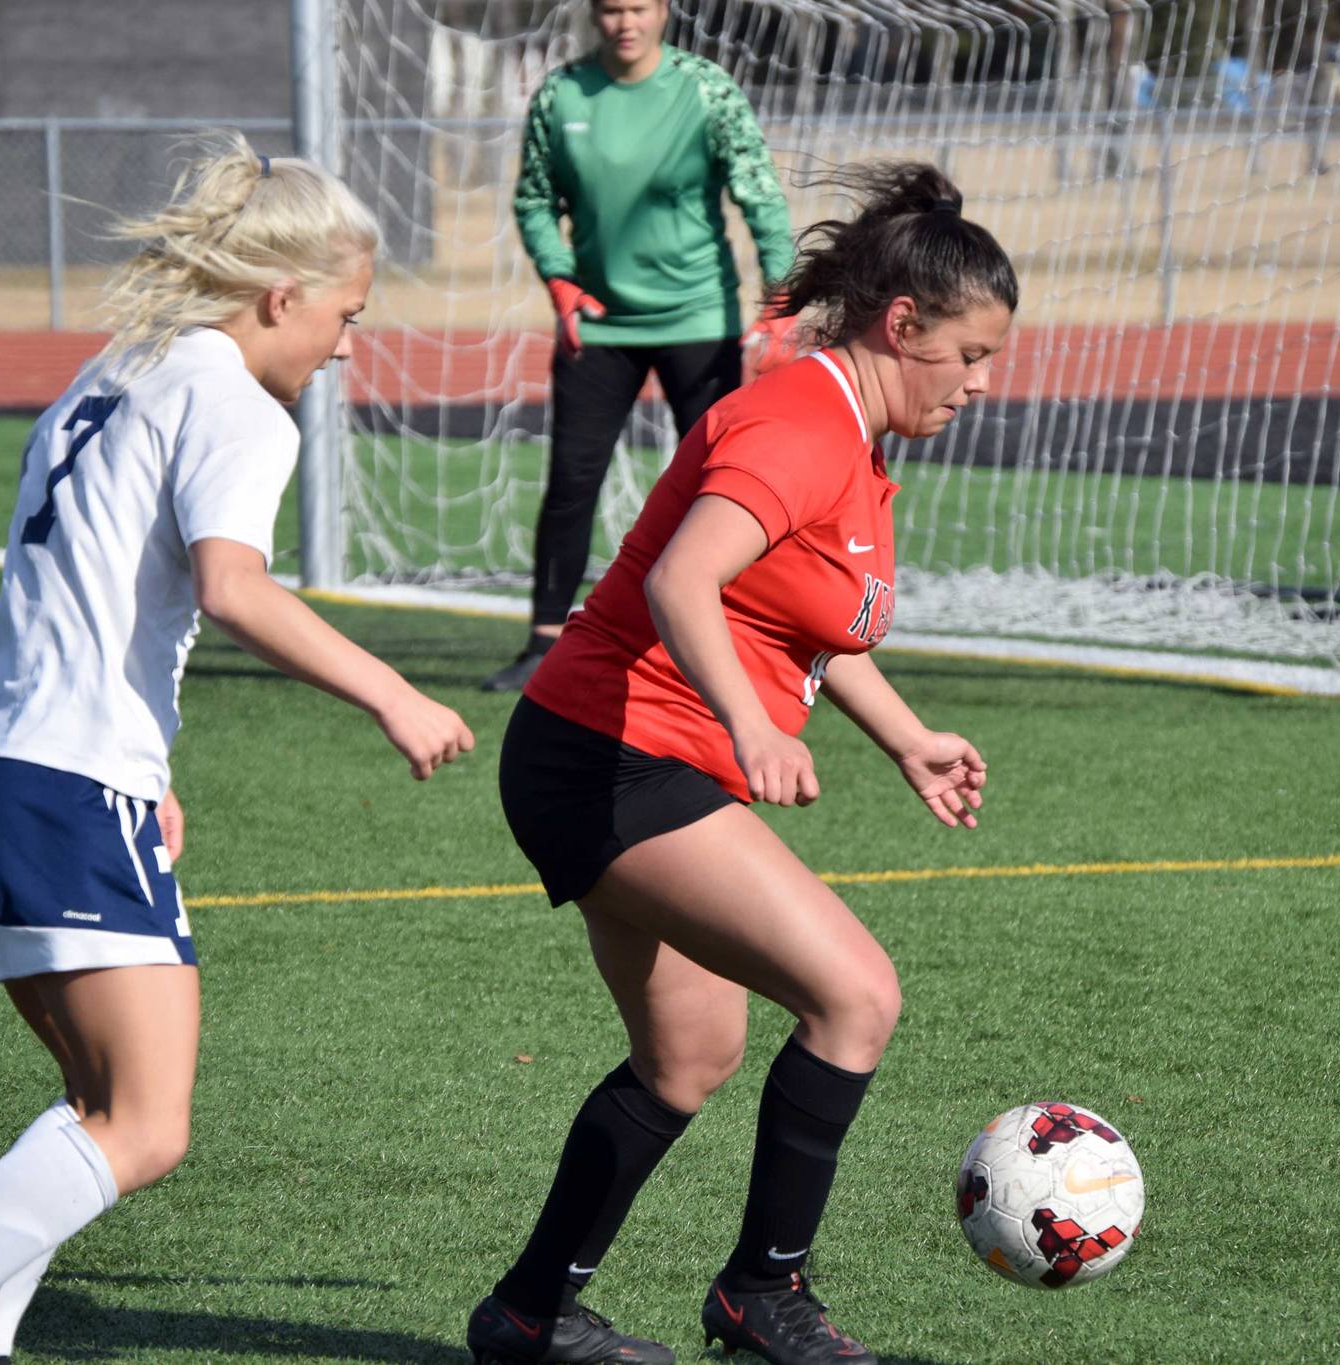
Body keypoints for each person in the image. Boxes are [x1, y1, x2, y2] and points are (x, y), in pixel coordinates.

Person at [0, 131, 474, 1365]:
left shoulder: (119, 368)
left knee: (99, 1109)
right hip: (64, 782)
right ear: (281, 298)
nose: (344, 344)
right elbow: (230, 587)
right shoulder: (235, 401)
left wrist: (150, 771)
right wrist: (393, 693)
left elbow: (95, 587)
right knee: (147, 1125)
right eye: (345, 315)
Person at [465, 161, 1016, 1365]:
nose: (980, 384)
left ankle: (527, 1314)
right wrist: (754, 727)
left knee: (688, 1055)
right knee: (855, 995)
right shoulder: (799, 422)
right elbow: (681, 582)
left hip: (625, 755)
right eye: (966, 355)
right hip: (609, 757)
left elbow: (794, 621)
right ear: (900, 323)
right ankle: (762, 1293)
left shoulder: (854, 438)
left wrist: (906, 737)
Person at [481, 0, 799, 692]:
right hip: (600, 327)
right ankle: (542, 642)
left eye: (640, 7)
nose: (626, 22)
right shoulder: (563, 93)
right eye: (611, 9)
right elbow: (535, 199)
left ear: (663, 11)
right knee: (571, 482)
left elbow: (761, 195)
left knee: (729, 485)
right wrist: (560, 283)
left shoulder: (707, 90)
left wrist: (782, 296)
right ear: (594, 16)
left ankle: (751, 641)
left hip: (699, 321)